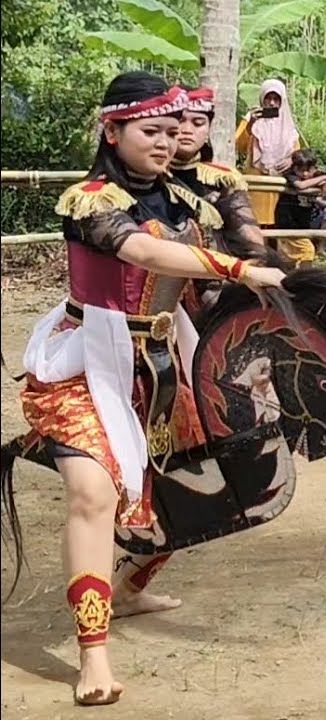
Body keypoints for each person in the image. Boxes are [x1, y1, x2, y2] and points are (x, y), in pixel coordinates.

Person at [4, 72, 286, 706]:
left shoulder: (190, 199)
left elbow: (218, 271)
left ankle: (129, 588)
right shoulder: (89, 201)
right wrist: (239, 266)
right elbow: (146, 255)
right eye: (150, 131)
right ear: (112, 132)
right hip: (86, 362)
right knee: (93, 494)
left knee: (187, 483)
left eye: (171, 131)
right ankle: (93, 655)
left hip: (160, 363)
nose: (165, 142)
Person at [171, 86, 265, 257]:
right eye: (180, 121)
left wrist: (258, 259)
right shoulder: (147, 174)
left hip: (215, 266)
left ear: (208, 129)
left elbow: (249, 235)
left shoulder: (222, 179)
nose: (187, 130)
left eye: (198, 123)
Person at [234, 79, 300, 228]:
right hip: (255, 182)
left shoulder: (288, 126)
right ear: (261, 99)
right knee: (253, 224)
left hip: (279, 183)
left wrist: (291, 160)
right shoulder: (251, 119)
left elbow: (297, 154)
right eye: (268, 98)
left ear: (282, 101)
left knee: (277, 226)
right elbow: (238, 145)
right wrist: (251, 124)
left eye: (276, 99)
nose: (271, 103)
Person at [275, 148, 326, 268]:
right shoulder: (290, 175)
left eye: (308, 170)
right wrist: (324, 179)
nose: (305, 174)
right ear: (294, 168)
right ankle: (304, 276)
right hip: (288, 223)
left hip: (302, 224)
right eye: (301, 170)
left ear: (314, 168)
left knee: (294, 257)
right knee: (307, 250)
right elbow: (301, 185)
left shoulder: (315, 175)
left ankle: (298, 274)